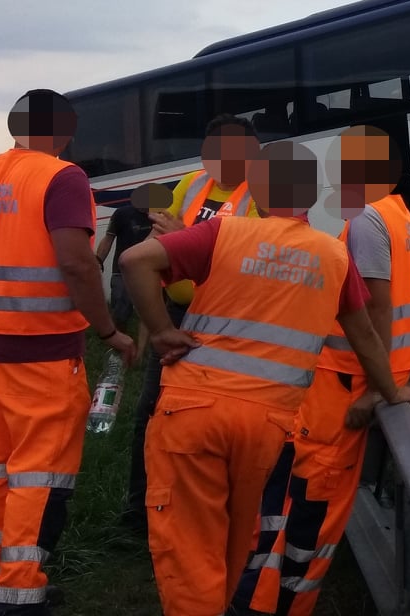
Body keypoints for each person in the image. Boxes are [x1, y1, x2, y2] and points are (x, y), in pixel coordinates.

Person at [118, 139, 410, 616]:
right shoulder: (333, 256)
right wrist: (390, 391)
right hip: (270, 423)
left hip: (194, 412)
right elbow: (365, 334)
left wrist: (161, 331)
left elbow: (135, 261)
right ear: (312, 192)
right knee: (237, 542)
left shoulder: (223, 233)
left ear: (257, 188)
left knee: (191, 542)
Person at [234, 125, 410, 615]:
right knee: (318, 505)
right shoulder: (398, 215)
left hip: (346, 382)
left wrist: (375, 391)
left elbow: (376, 310)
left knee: (307, 499)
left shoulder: (364, 220)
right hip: (370, 376)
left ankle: (264, 604)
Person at [0, 89, 137, 616]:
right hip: (41, 351)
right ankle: (16, 594)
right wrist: (108, 331)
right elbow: (78, 265)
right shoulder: (63, 177)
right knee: (40, 474)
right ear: (65, 128)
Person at [121, 114, 263, 531]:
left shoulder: (263, 194)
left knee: (216, 417)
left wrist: (182, 238)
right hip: (179, 314)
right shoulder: (192, 184)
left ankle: (208, 513)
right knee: (153, 409)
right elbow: (156, 242)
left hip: (231, 320)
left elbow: (250, 264)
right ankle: (138, 512)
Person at [96, 182, 170, 328]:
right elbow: (108, 239)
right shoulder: (122, 214)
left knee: (159, 310)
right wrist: (98, 261)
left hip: (154, 270)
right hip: (122, 271)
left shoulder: (162, 215)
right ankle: (115, 341)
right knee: (120, 311)